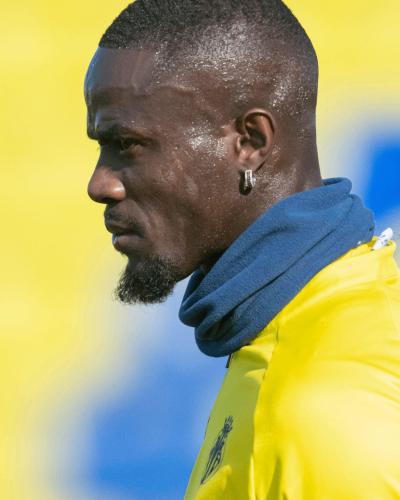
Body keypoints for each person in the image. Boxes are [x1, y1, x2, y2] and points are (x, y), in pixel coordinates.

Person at [84, 1, 400, 498]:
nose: (100, 185)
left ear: (250, 142)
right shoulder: (311, 319)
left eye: (128, 145)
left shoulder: (319, 411)